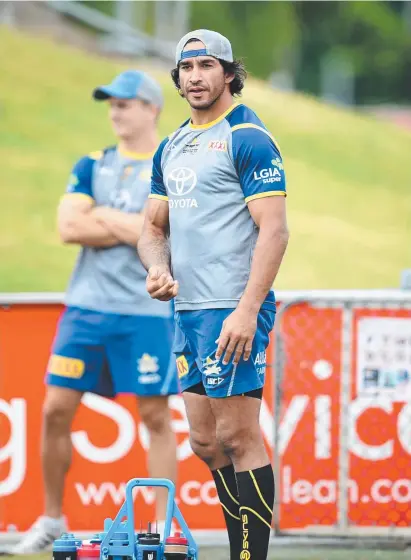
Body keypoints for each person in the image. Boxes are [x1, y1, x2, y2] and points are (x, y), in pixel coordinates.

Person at [12, 70, 178, 554]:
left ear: (151, 108)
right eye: (110, 104)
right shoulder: (91, 163)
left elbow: (170, 234)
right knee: (55, 410)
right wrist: (134, 226)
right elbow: (68, 227)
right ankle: (50, 519)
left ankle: (161, 528)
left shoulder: (170, 165)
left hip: (146, 311)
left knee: (155, 415)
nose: (115, 112)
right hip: (85, 310)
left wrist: (102, 215)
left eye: (125, 103)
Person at [138, 29, 289, 560]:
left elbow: (274, 231)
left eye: (207, 65)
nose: (196, 76)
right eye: (187, 68)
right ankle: (238, 547)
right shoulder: (172, 144)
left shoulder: (248, 137)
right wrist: (158, 271)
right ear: (177, 79)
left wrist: (247, 311)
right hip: (188, 310)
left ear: (229, 73)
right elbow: (152, 228)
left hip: (233, 307)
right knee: (204, 442)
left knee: (237, 434)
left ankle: (251, 556)